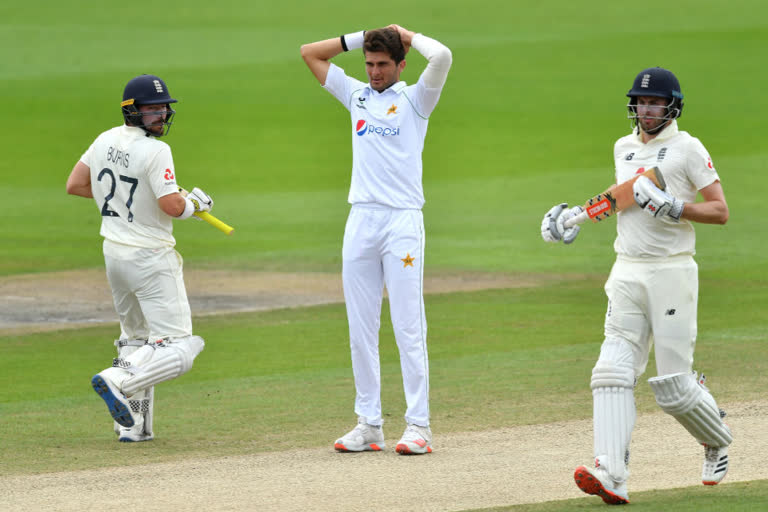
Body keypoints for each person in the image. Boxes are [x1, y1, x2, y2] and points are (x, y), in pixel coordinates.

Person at [541, 67, 732, 504]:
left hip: (671, 271)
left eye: (655, 103)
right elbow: (625, 193)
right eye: (641, 102)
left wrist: (674, 208)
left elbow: (720, 211)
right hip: (626, 269)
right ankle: (611, 474)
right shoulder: (624, 146)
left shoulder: (687, 148)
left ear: (671, 106)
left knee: (674, 389)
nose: (646, 110)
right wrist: (574, 218)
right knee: (610, 372)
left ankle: (716, 437)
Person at [300, 25, 452, 454]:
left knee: (408, 325)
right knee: (360, 327)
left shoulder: (417, 99)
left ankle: (418, 425)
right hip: (360, 220)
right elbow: (310, 54)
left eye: (383, 64)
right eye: (369, 64)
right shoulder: (356, 95)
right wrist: (360, 36)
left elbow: (442, 57)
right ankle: (369, 423)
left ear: (401, 65)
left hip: (402, 222)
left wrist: (409, 33)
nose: (374, 72)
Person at [66, 74, 212, 442]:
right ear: (132, 111)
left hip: (114, 254)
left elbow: (77, 184)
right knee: (182, 345)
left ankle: (132, 427)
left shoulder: (105, 139)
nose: (161, 115)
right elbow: (171, 205)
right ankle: (118, 380)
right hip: (150, 258)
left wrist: (121, 205)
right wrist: (195, 205)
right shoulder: (156, 150)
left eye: (163, 108)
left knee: (135, 340)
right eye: (152, 109)